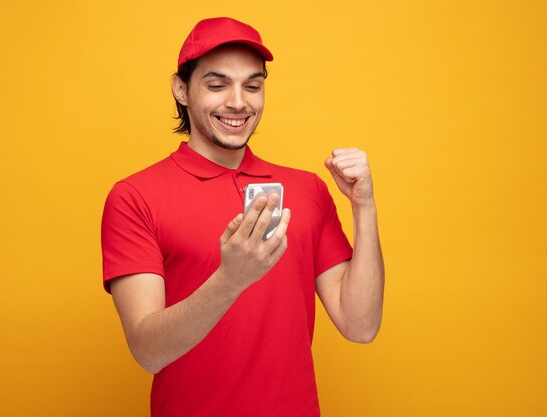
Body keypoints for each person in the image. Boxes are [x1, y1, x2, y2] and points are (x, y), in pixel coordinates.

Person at [101, 17, 384, 417]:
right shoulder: (135, 197)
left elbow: (361, 326)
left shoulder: (308, 190)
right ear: (181, 89)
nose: (238, 102)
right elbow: (148, 352)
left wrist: (364, 207)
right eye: (217, 85)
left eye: (252, 85)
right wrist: (230, 280)